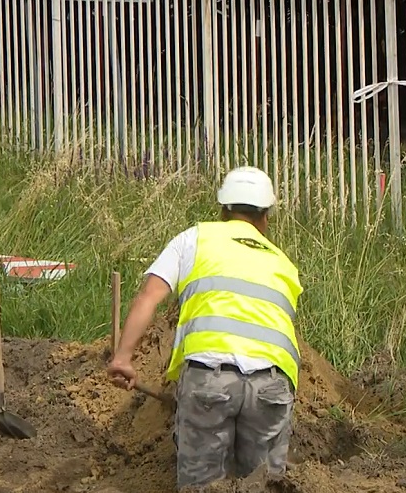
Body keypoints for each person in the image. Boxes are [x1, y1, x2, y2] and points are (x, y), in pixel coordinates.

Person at [106, 166, 303, 490]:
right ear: (266, 216)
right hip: (272, 386)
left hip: (210, 380)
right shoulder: (282, 261)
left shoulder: (195, 238)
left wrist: (123, 358)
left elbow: (149, 297)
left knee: (202, 487)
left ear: (223, 210)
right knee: (263, 484)